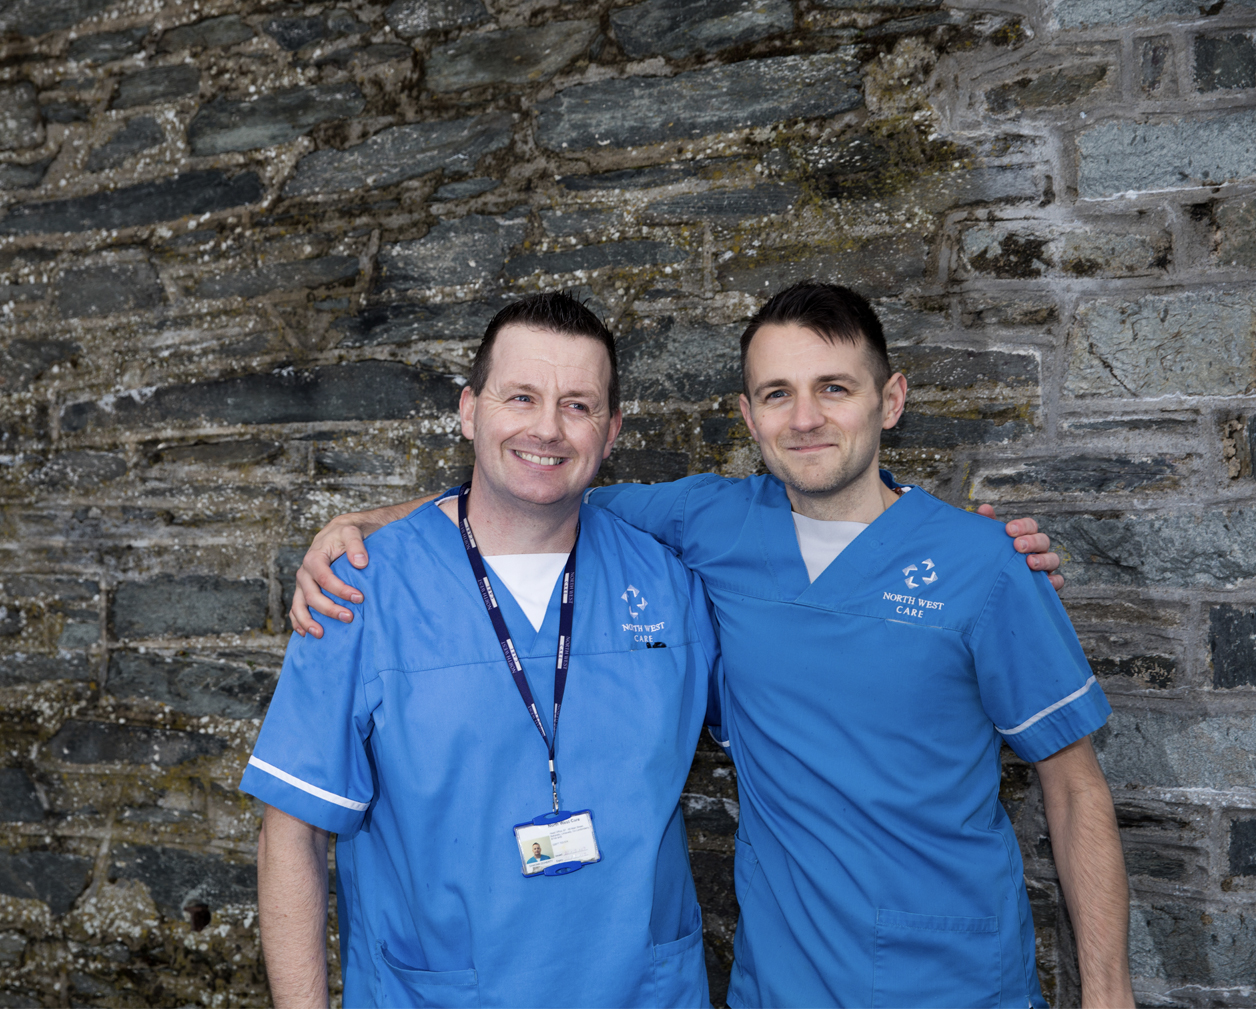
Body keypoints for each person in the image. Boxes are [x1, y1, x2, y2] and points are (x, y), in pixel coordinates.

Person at [290, 284, 1134, 1009]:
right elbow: (539, 485)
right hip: (782, 984)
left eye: (834, 388)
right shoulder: (709, 524)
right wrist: (365, 524)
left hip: (954, 981)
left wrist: (1108, 993)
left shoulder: (985, 564)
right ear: (747, 414)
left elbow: (1075, 789)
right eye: (777, 393)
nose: (806, 418)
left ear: (891, 399)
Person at [242, 293, 722, 1008]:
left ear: (612, 430)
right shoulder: (361, 591)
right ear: (469, 411)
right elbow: (294, 833)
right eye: (520, 396)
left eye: (578, 405)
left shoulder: (671, 583)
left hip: (644, 991)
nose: (547, 428)